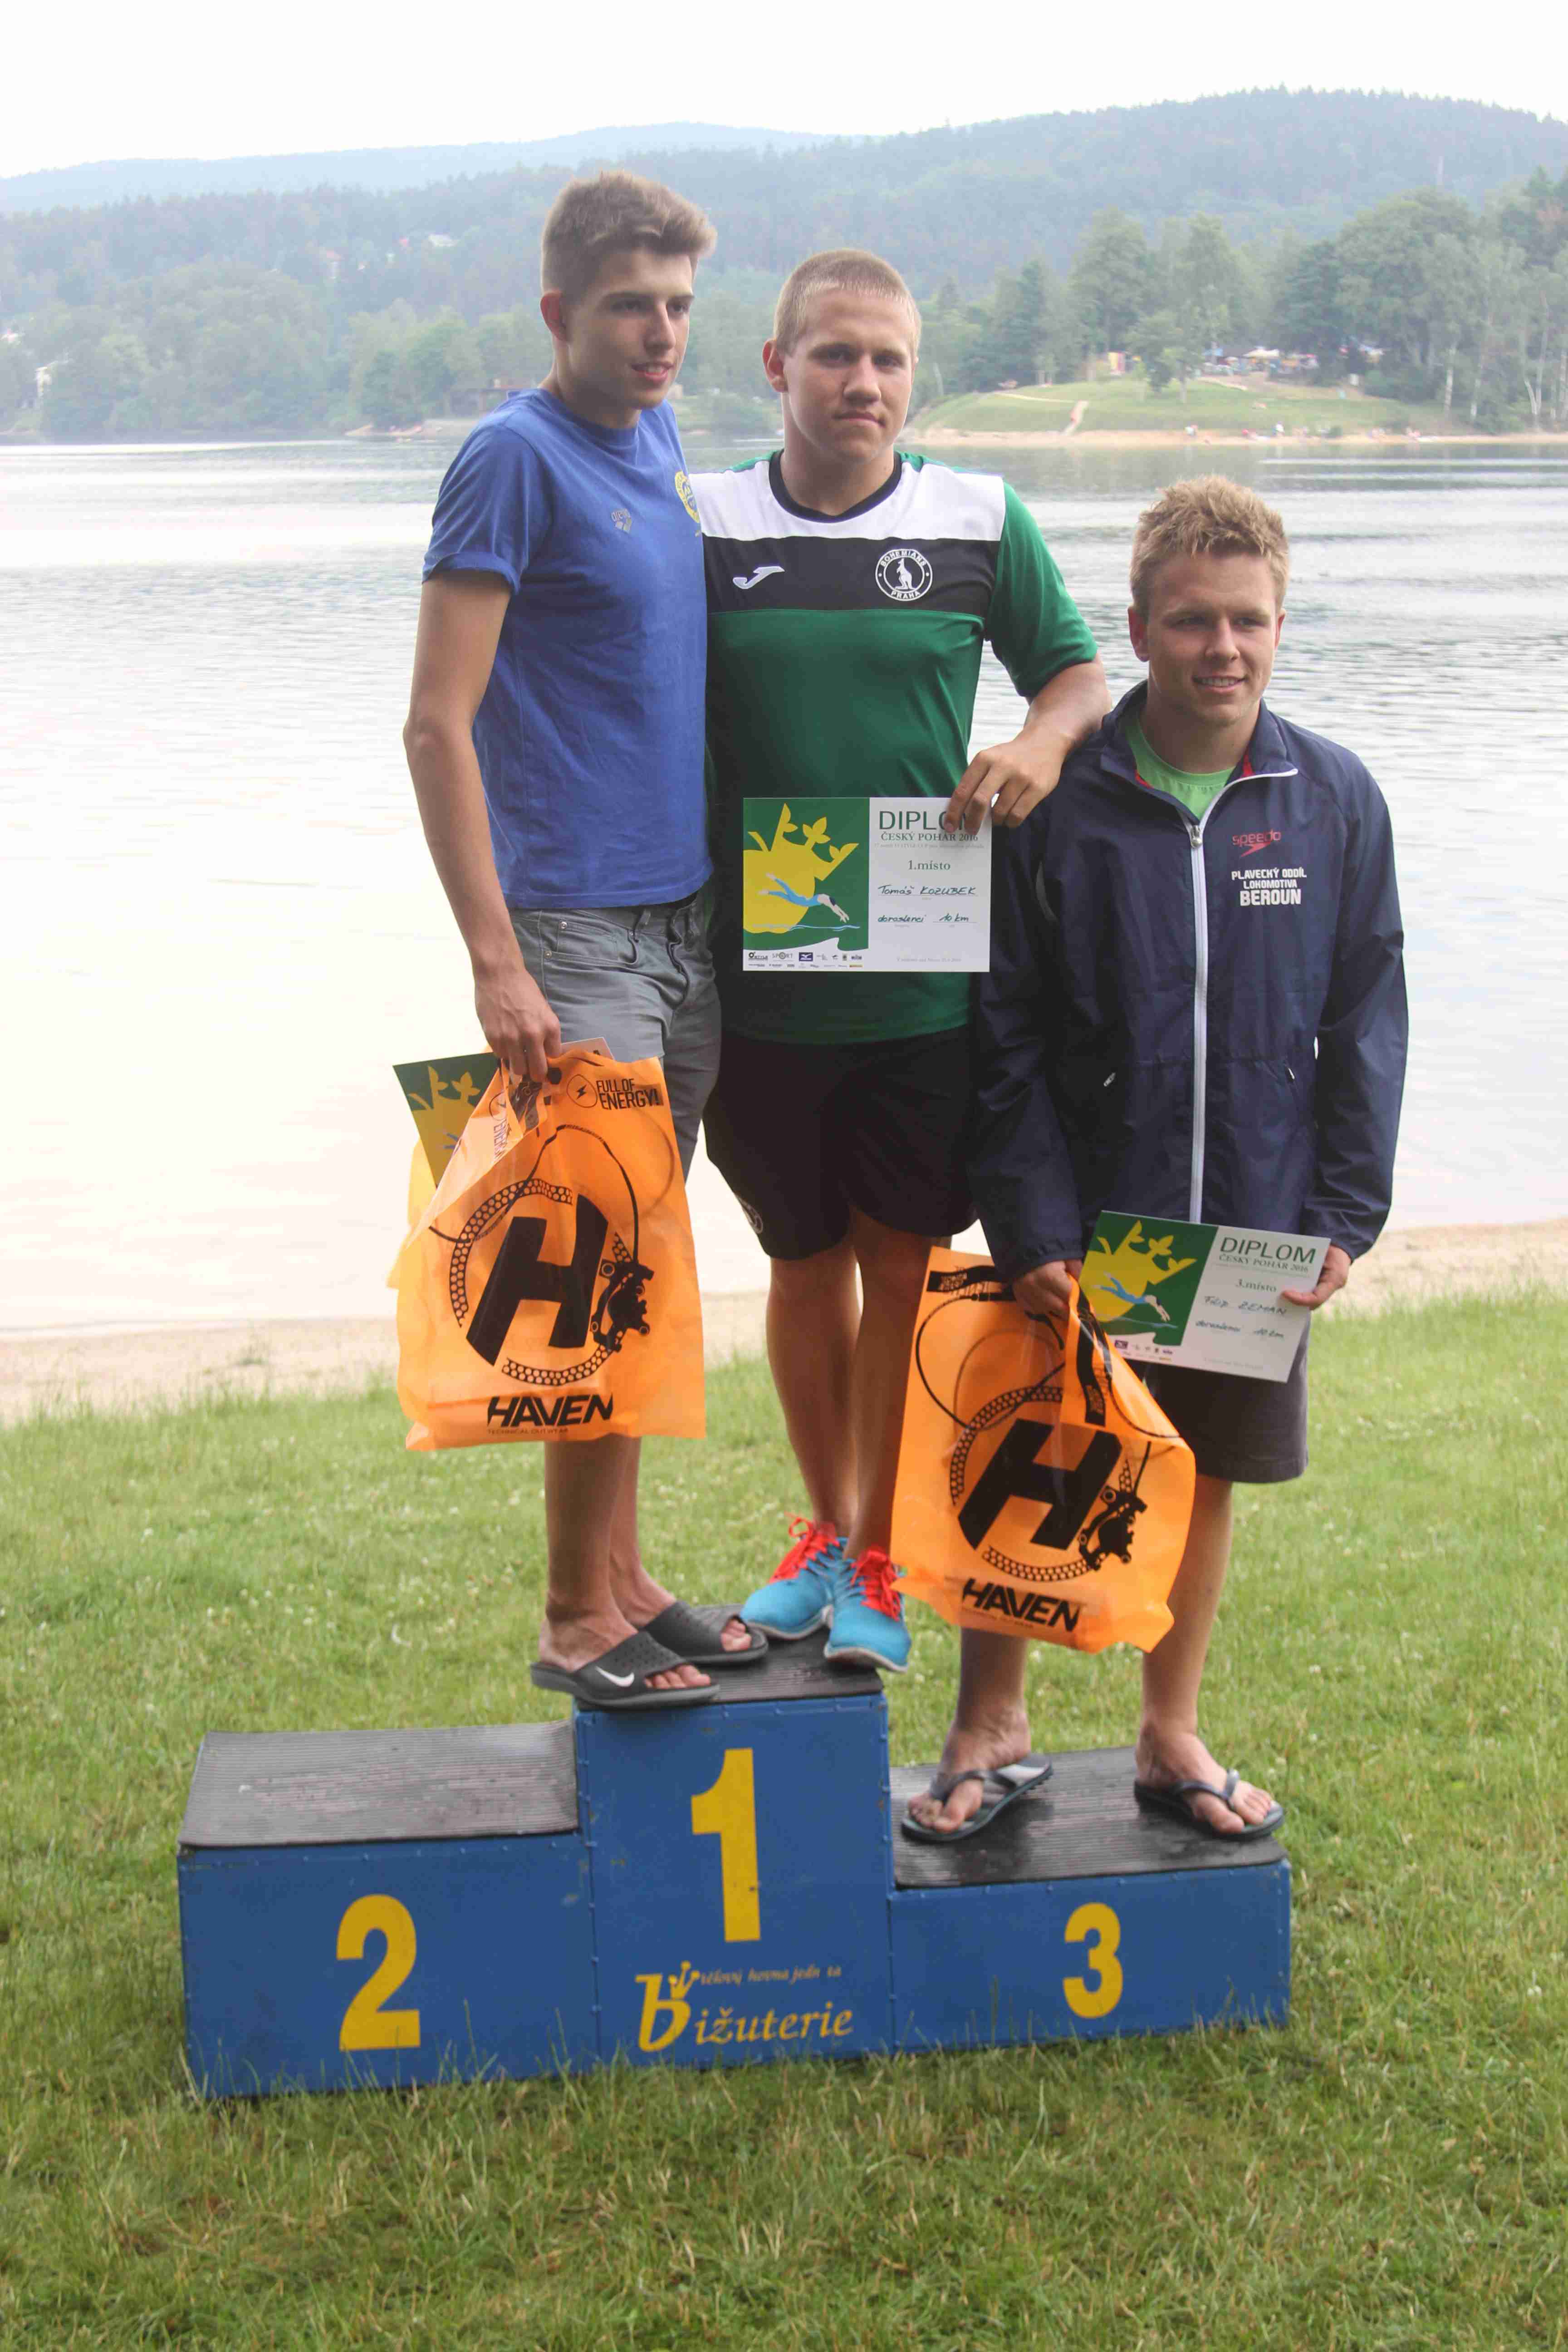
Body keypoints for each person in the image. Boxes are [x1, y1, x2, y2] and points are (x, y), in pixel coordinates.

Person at [909, 475, 1407, 1837]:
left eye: (1248, 620)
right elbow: (1002, 1035)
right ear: (1137, 628)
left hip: (1252, 1214)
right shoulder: (1061, 802)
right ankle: (989, 1723)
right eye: (1192, 621)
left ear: (1283, 623)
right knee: (1030, 1453)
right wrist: (1032, 1225)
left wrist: (1343, 1216)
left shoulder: (1333, 799)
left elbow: (1367, 1019)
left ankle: (1169, 1733)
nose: (1222, 649)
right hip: (1082, 1214)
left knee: (1202, 1471)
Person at [691, 250, 1109, 1672]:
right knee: (800, 1262)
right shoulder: (703, 523)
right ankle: (825, 1530)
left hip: (923, 983)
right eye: (834, 355)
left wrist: (1038, 742)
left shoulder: (979, 518)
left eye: (888, 359)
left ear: (914, 374)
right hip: (756, 984)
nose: (862, 382)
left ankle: (878, 1554)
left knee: (901, 1266)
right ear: (777, 365)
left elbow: (1076, 674)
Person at [402, 170, 758, 1711]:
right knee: (594, 1270)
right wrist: (497, 960)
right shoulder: (511, 459)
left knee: (646, 1260)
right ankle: (570, 1616)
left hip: (682, 921)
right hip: (569, 930)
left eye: (678, 307)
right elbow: (436, 725)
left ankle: (624, 1578)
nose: (660, 333)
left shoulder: (659, 441)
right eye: (628, 308)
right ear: (559, 311)